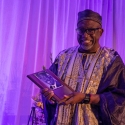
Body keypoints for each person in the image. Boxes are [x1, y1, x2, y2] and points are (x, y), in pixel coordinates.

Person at [41, 9, 125, 125]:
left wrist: (86, 98)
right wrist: (49, 96)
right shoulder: (63, 56)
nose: (85, 35)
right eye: (81, 30)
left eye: (91, 30)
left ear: (100, 32)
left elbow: (120, 98)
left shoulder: (111, 60)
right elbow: (52, 89)